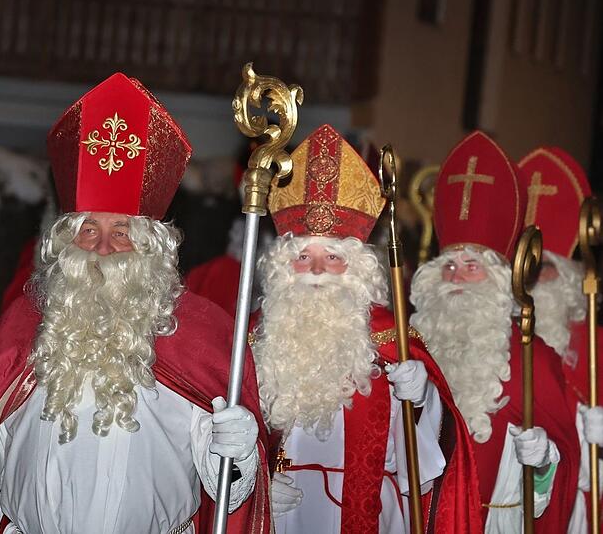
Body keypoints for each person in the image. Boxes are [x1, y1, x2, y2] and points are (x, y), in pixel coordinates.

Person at [0, 72, 271, 533]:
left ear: (152, 246)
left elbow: (226, 488)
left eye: (123, 232)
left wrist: (240, 450)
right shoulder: (28, 325)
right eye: (90, 230)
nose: (104, 247)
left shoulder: (199, 332)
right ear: (67, 241)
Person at [253, 124, 479, 533]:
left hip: (369, 512)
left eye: (333, 257)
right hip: (279, 512)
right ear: (282, 267)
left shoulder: (393, 341)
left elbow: (426, 462)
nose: (318, 270)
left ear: (357, 268)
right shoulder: (254, 340)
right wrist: (256, 482)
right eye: (303, 255)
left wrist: (423, 398)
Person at [410, 131, 581, 532]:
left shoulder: (532, 356)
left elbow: (565, 459)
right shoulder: (413, 347)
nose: (456, 279)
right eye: (449, 267)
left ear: (500, 281)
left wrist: (543, 463)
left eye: (472, 267)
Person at [517, 145, 603, 533]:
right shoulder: (497, 345)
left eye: (545, 269)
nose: (532, 282)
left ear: (571, 277)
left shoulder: (596, 346)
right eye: (524, 269)